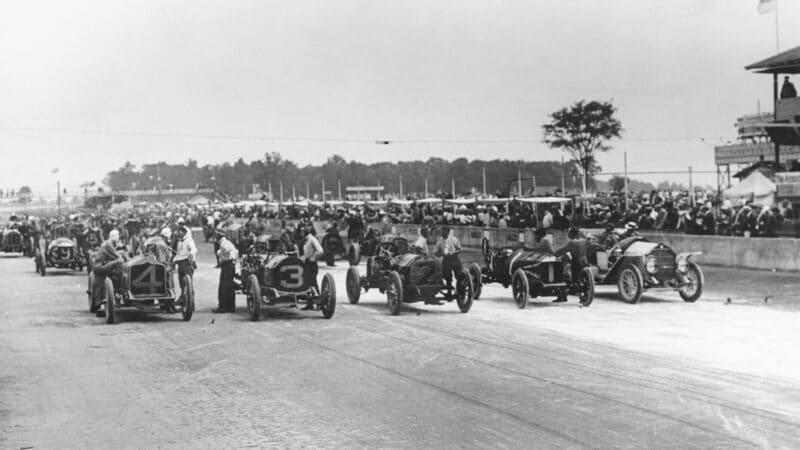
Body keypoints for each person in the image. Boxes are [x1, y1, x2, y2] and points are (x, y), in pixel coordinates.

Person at [91, 229, 125, 317]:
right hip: (100, 267)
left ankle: (112, 295)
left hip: (99, 266)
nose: (118, 239)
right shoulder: (108, 245)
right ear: (114, 237)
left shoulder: (106, 243)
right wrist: (122, 258)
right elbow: (117, 256)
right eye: (118, 237)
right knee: (119, 261)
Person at [214, 227, 238, 313]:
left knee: (223, 286)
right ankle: (230, 307)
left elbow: (227, 251)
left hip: (227, 265)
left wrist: (221, 254)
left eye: (216, 234)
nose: (215, 236)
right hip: (230, 265)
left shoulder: (224, 243)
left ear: (219, 235)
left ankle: (222, 307)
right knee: (229, 286)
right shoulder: (226, 242)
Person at [433, 226, 463, 296]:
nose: (442, 233)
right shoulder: (440, 241)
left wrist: (453, 252)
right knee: (447, 276)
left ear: (448, 232)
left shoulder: (454, 239)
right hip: (446, 260)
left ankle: (459, 291)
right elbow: (435, 252)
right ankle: (449, 291)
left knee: (459, 276)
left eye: (444, 232)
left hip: (455, 259)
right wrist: (442, 254)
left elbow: (460, 249)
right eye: (442, 231)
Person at [302, 226, 323, 309]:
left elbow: (320, 251)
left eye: (302, 231)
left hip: (312, 264)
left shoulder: (312, 239)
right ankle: (310, 303)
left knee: (313, 283)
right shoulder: (308, 239)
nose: (301, 233)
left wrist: (313, 258)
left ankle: (319, 303)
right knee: (307, 284)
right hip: (308, 263)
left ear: (305, 232)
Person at [173, 225, 197, 293]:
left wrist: (191, 254)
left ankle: (191, 302)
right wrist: (174, 261)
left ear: (184, 232)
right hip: (180, 264)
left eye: (179, 232)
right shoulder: (179, 242)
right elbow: (178, 254)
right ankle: (183, 299)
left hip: (187, 263)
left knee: (188, 283)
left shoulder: (189, 240)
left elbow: (194, 249)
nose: (178, 233)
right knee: (181, 283)